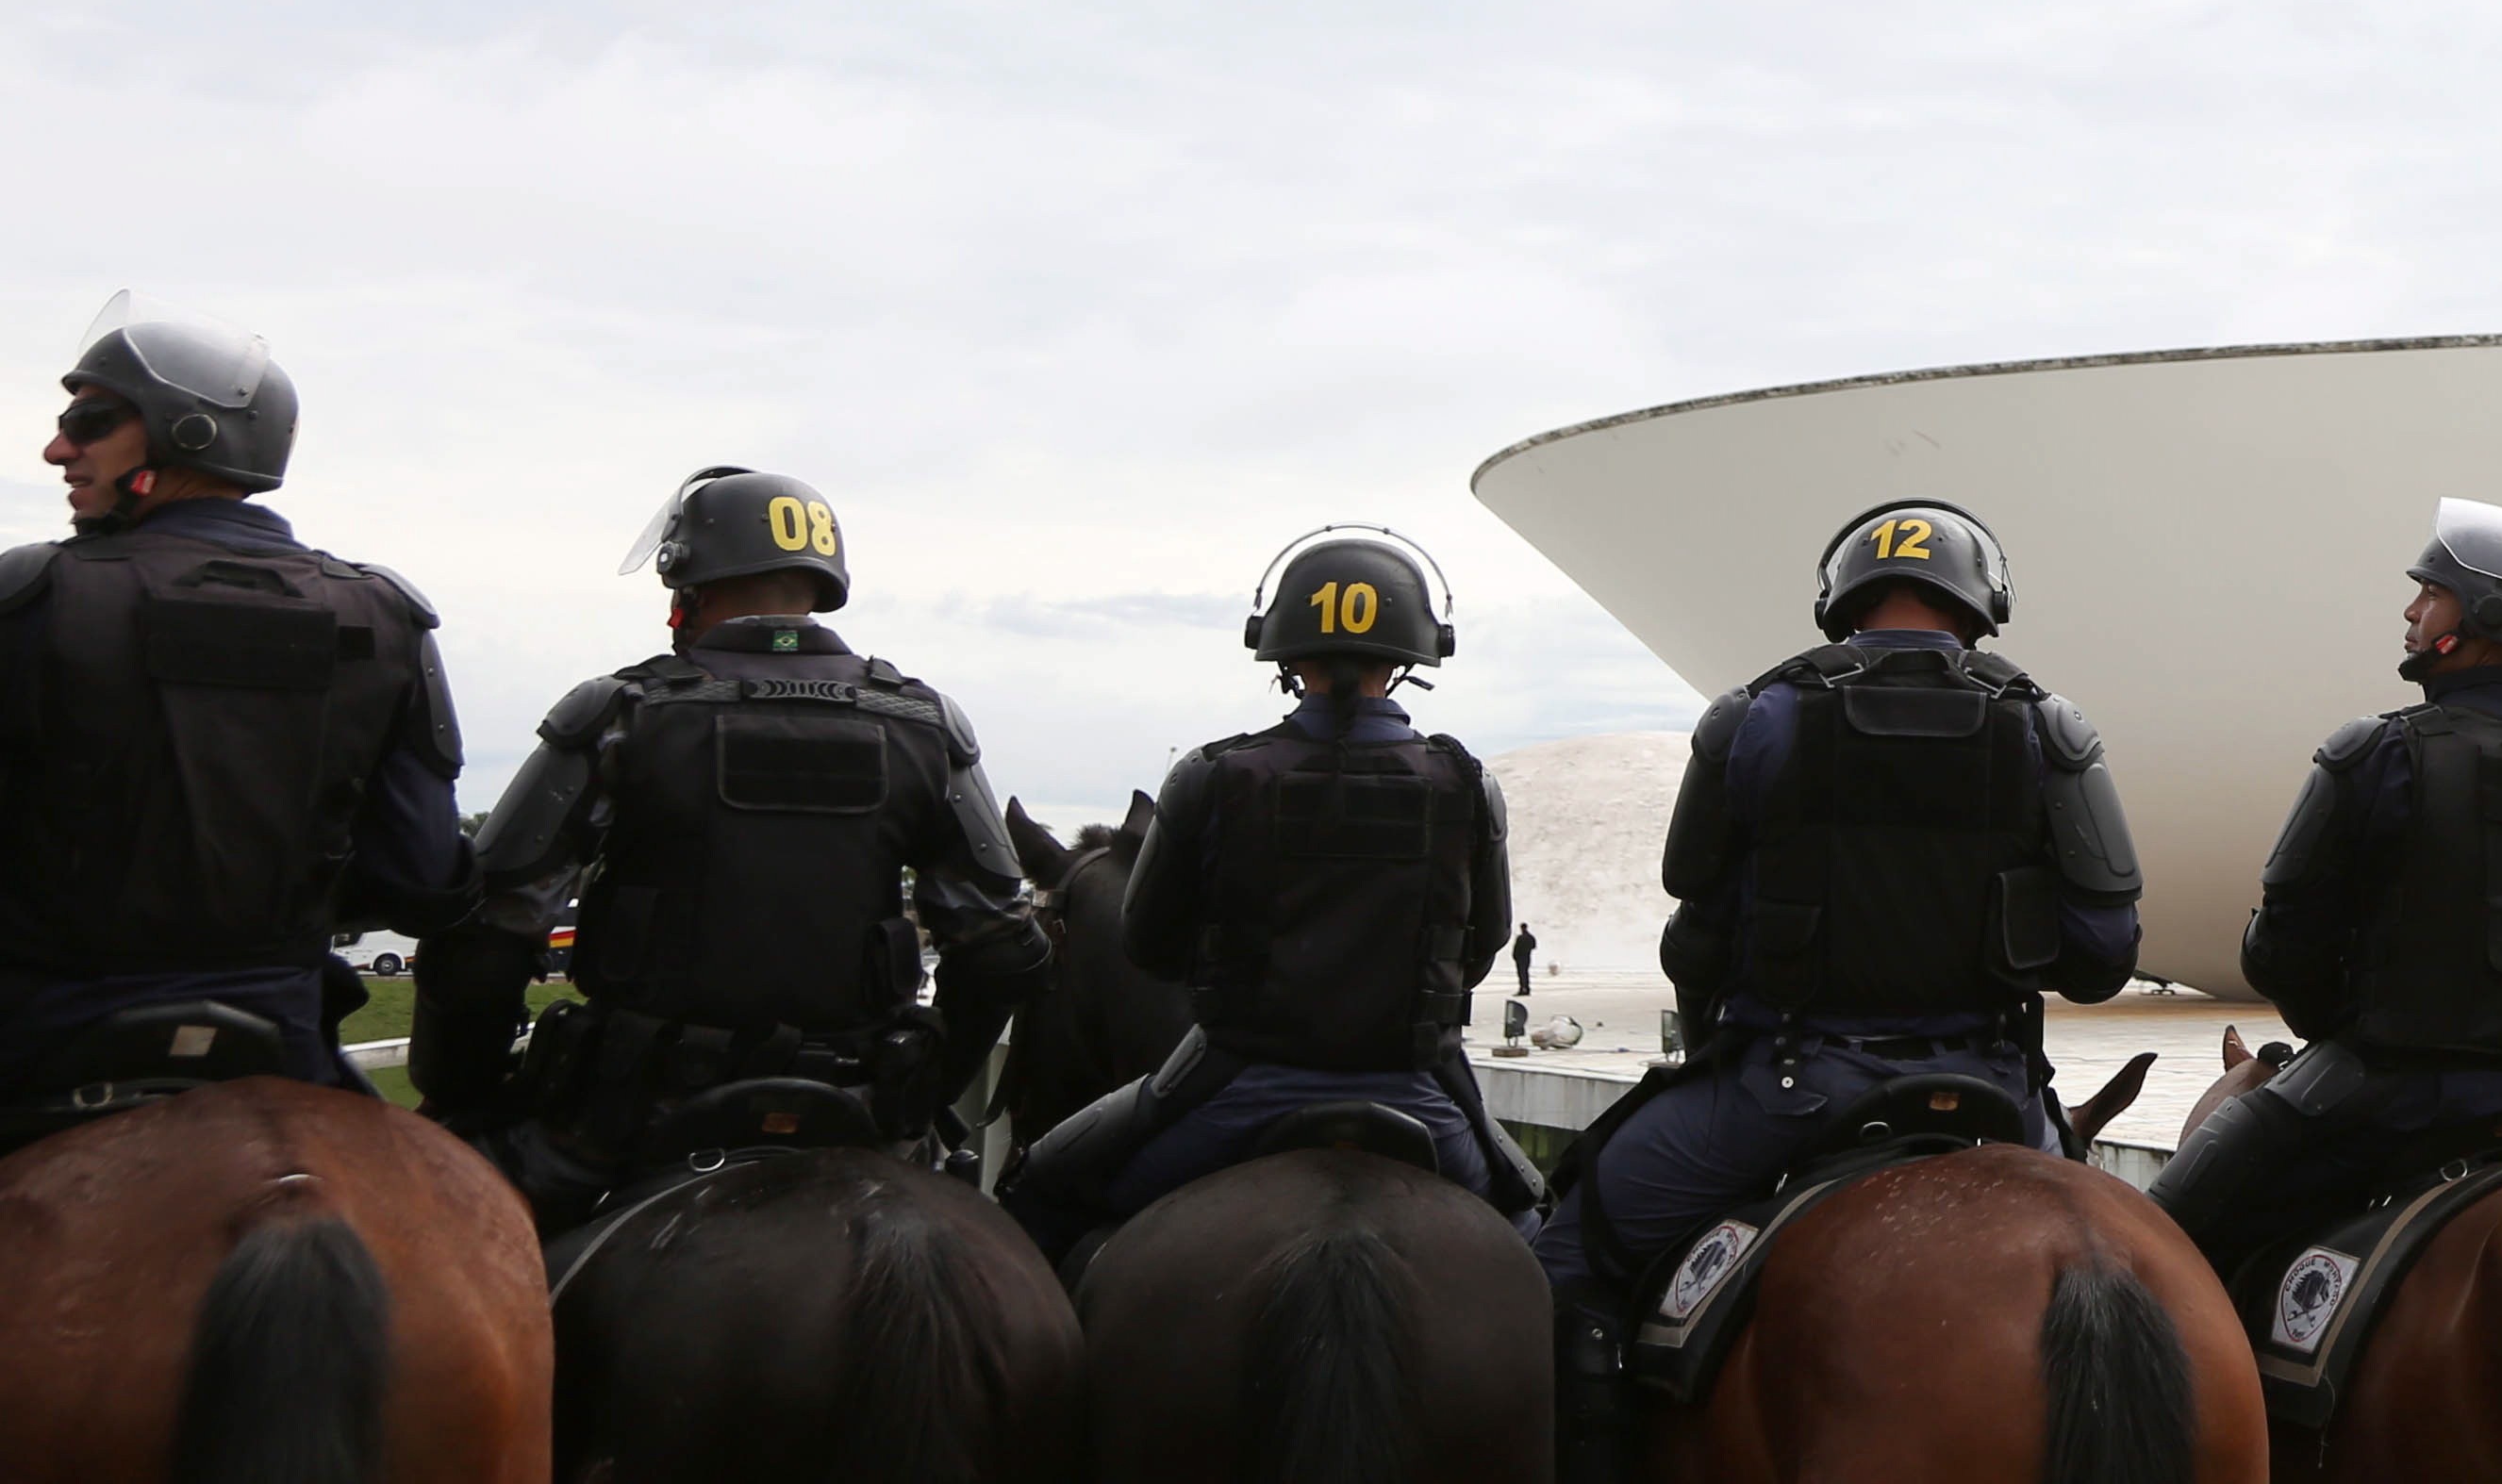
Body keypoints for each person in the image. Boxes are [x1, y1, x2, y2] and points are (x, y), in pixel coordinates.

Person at [1533, 498, 2143, 1472]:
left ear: (1843, 598)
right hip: (1995, 1096)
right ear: (1980, 602)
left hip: (1784, 1089)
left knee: (1571, 1253)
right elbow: (2103, 958)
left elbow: (1695, 932)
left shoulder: (1758, 717)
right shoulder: (2049, 728)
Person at [410, 466, 1052, 1228]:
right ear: (819, 582)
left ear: (685, 576)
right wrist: (921, 1089)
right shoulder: (925, 723)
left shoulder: (621, 713)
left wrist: (461, 1095)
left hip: (628, 1116)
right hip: (864, 1110)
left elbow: (490, 931)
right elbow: (1003, 948)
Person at [2147, 500, 2502, 1283]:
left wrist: (2351, 1029)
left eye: (2432, 593)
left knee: (2142, 1258)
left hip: (2381, 1095)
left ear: (2485, 615)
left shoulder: (2378, 753)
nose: (2412, 610)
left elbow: (2280, 953)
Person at [1000, 527, 1531, 1261]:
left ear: (1282, 653)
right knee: (1538, 1229)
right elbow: (1479, 951)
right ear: (1410, 658)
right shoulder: (1471, 786)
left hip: (1232, 1081)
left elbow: (1149, 946)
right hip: (1419, 1083)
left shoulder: (1211, 776)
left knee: (1040, 1190)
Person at [0, 299, 470, 1113]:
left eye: (89, 419)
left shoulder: (32, 597)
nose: (58, 447)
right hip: (281, 1038)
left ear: (185, 433)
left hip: (38, 1042)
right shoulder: (385, 615)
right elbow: (424, 882)